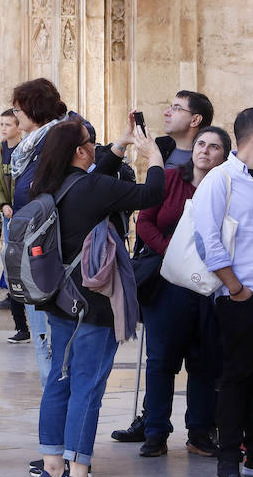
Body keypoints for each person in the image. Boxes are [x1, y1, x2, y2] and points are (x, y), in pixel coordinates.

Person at [30, 118, 165, 477]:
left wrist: (120, 145)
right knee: (87, 387)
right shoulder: (93, 189)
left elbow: (92, 179)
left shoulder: (48, 182)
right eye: (92, 142)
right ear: (79, 150)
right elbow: (151, 194)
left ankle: (53, 464)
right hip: (93, 302)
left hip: (59, 299)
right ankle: (78, 468)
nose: (97, 147)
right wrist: (153, 157)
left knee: (60, 382)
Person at [124, 119, 229, 459]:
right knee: (161, 362)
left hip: (210, 289)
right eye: (201, 145)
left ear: (224, 156)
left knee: (205, 362)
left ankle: (199, 432)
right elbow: (145, 222)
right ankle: (155, 432)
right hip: (168, 284)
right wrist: (173, 250)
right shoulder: (170, 180)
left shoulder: (227, 189)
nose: (205, 151)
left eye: (214, 147)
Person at [193, 108, 253, 477]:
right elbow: (208, 240)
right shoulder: (223, 179)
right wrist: (236, 289)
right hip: (240, 296)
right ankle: (228, 455)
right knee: (237, 376)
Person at [4, 78, 72, 386]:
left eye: (18, 108)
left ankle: (56, 399)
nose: (15, 115)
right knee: (42, 336)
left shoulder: (56, 140)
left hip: (49, 248)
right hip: (33, 244)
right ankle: (53, 396)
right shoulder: (33, 145)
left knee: (51, 338)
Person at [0, 108, 30, 343]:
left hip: (27, 213)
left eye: (7, 124)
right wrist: (3, 203)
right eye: (1, 124)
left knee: (27, 266)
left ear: (18, 126)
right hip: (9, 214)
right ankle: (21, 327)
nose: (3, 128)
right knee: (12, 262)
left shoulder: (27, 149)